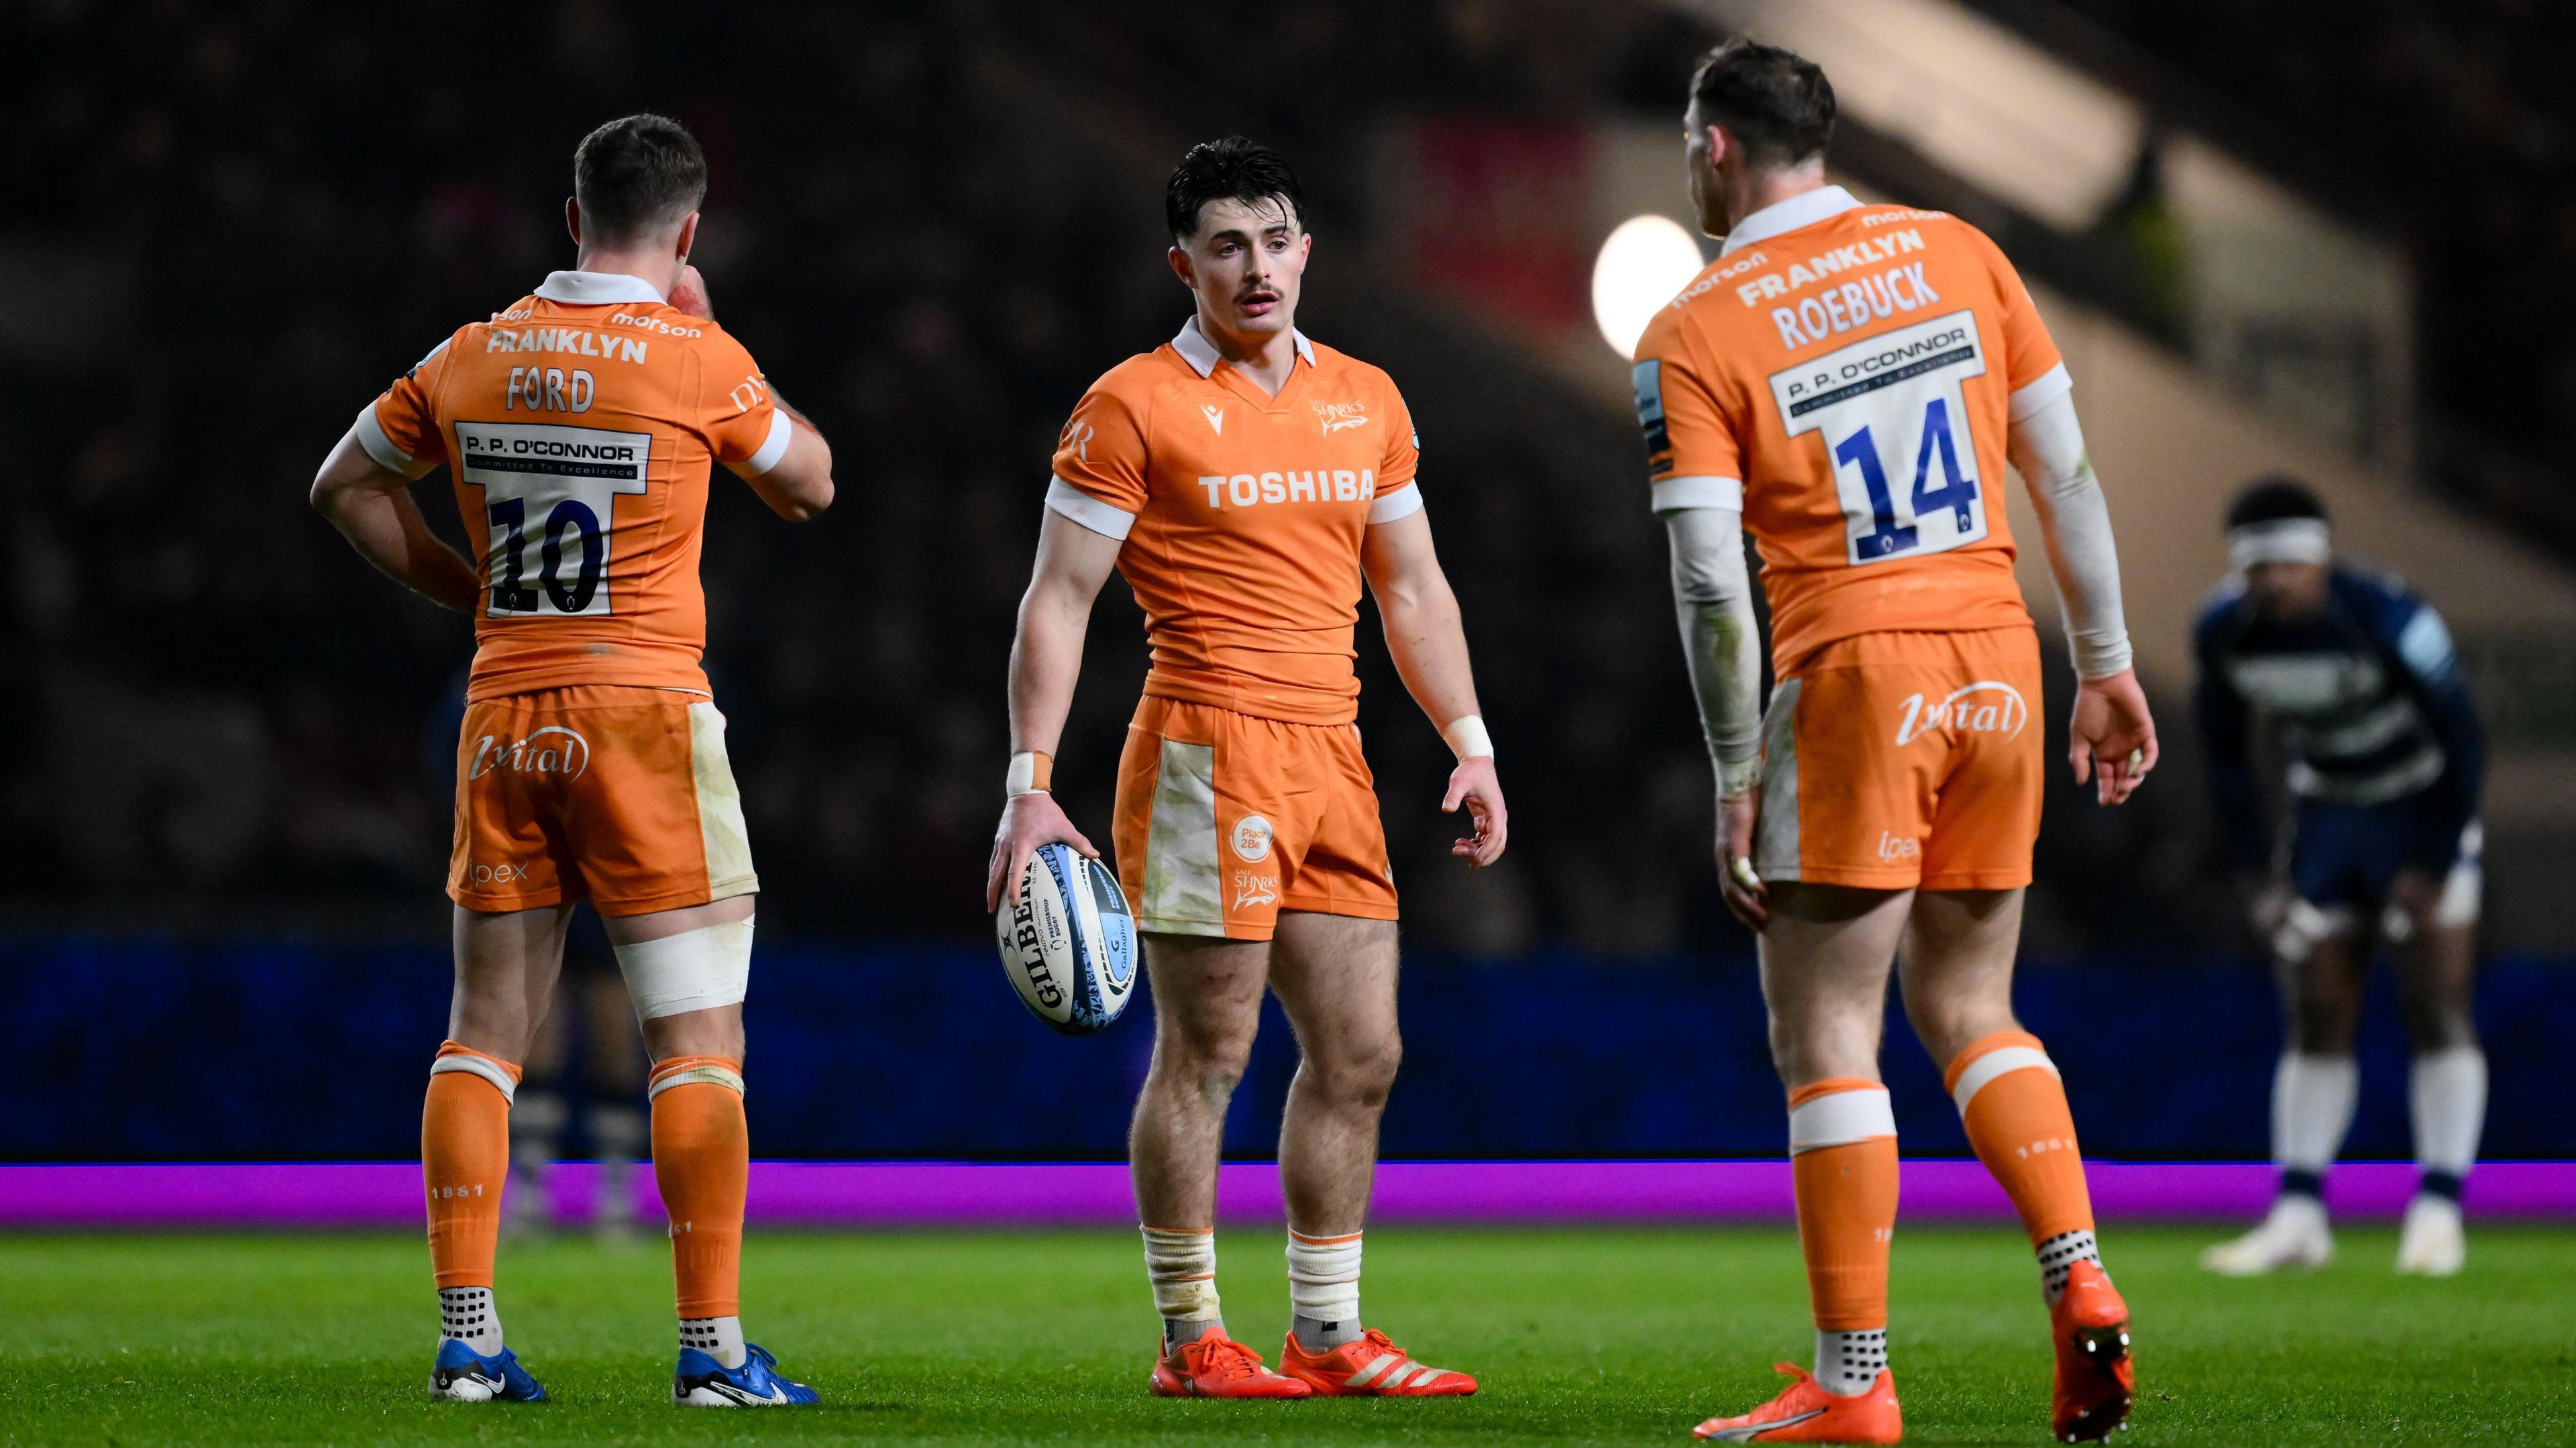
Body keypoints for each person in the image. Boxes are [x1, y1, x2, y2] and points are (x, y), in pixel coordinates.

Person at [1633, 42, 2157, 1444]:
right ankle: (2078, 1266)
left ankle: (1854, 1377)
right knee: (1976, 1005)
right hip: (1997, 657)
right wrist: (2103, 662)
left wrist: (1738, 765)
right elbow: (2065, 470)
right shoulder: (1959, 252)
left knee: (1827, 1033)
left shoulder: (1693, 328)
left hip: (1851, 669)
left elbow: (1706, 578)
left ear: (1718, 147)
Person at [309, 113, 835, 1407]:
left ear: (570, 217)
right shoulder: (693, 354)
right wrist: (707, 324)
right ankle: (713, 1353)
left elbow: (341, 487)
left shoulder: (470, 353)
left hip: (504, 711)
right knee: (697, 1042)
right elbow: (813, 482)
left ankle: (469, 1341)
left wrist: (464, 586)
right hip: (646, 715)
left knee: (483, 1035)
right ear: (689, 231)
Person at [984, 137, 1506, 1401]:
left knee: (1363, 1052)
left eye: (1275, 239)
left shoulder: (1368, 399)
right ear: (1185, 264)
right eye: (1226, 244)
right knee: (1207, 1054)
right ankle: (1190, 1337)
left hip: (1333, 750)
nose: (1256, 266)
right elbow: (1059, 598)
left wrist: (1471, 742)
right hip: (1204, 749)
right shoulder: (1132, 403)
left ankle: (1326, 1334)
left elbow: (1415, 587)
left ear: (1307, 249)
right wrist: (1028, 780)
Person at [2194, 478, 2487, 1278]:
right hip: (2328, 811)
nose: (2277, 581)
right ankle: (2297, 1212)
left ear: (2323, 559)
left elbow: (2463, 737)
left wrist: (2431, 861)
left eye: (2291, 563)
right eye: (2260, 568)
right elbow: (2225, 757)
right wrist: (2257, 873)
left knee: (2436, 999)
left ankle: (2437, 1210)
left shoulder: (2387, 614)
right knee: (2318, 1003)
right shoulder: (2225, 633)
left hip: (2418, 801)